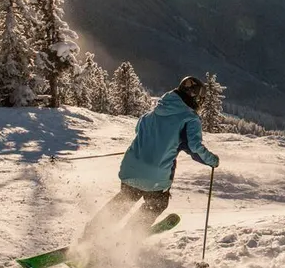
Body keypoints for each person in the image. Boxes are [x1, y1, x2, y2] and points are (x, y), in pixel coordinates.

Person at [83, 76, 220, 238]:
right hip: (155, 176)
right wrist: (212, 160)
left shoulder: (150, 114)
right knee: (158, 203)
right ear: (195, 98)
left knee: (125, 199)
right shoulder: (189, 118)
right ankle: (127, 238)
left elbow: (139, 132)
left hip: (130, 169)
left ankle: (92, 233)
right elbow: (194, 147)